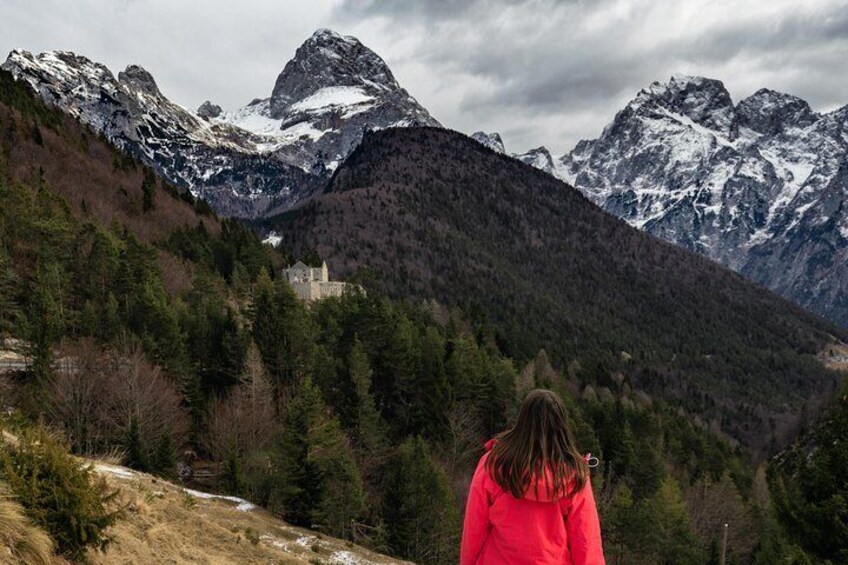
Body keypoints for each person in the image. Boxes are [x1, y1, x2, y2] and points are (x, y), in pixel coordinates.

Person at [461, 389, 605, 564]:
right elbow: (586, 542)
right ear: (561, 426)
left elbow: (474, 529)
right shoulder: (574, 476)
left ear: (522, 421)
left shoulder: (493, 465)